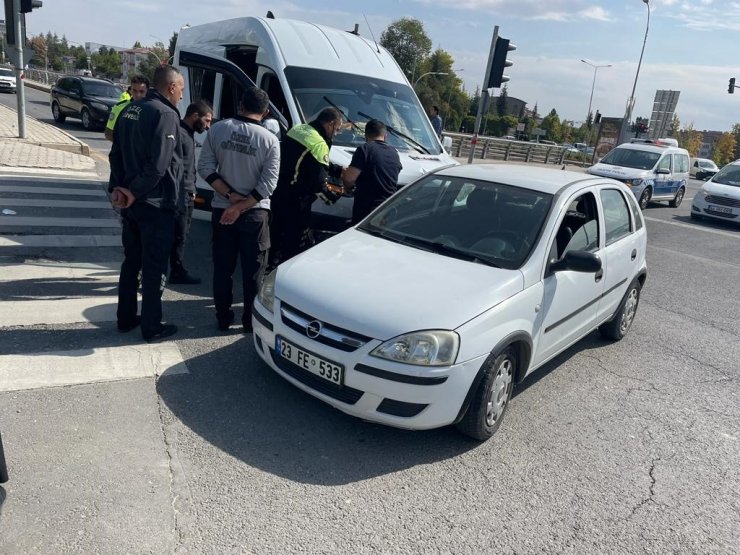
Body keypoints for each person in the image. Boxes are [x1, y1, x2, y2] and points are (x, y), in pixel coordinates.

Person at [108, 65, 185, 343]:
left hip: (131, 204)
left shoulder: (131, 109)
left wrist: (118, 188)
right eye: (181, 91)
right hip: (154, 203)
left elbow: (114, 154)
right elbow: (159, 166)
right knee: (154, 268)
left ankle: (125, 318)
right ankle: (152, 327)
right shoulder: (164, 113)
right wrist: (132, 191)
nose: (181, 97)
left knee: (131, 262)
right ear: (172, 87)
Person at [197, 87, 280, 333]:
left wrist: (230, 198)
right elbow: (269, 184)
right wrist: (242, 204)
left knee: (223, 268)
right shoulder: (270, 140)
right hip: (255, 213)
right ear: (265, 113)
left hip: (222, 210)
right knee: (254, 271)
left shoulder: (219, 129)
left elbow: (205, 167)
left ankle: (223, 317)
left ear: (240, 105)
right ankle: (249, 322)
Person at [268, 107, 345, 268]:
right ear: (330, 124)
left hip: (278, 192)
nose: (336, 133)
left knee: (275, 236)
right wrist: (333, 197)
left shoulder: (299, 129)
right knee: (293, 244)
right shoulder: (319, 143)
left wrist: (337, 170)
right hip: (297, 202)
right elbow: (317, 184)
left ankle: (267, 269)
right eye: (337, 129)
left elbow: (308, 160)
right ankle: (280, 278)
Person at [169, 100, 214, 285]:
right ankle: (173, 272)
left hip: (187, 193)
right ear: (195, 116)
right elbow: (174, 168)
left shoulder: (188, 133)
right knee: (176, 236)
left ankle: (175, 269)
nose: (209, 126)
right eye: (207, 120)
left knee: (181, 236)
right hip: (179, 196)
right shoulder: (180, 133)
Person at [342, 119, 402, 224]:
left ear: (366, 136)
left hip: (366, 211)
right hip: (386, 210)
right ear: (385, 136)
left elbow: (349, 179)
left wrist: (347, 187)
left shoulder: (364, 150)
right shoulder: (394, 153)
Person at [105, 75, 149, 141]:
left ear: (147, 91)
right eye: (134, 91)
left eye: (141, 92)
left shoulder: (152, 109)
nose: (138, 95)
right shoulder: (119, 107)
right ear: (130, 90)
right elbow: (109, 133)